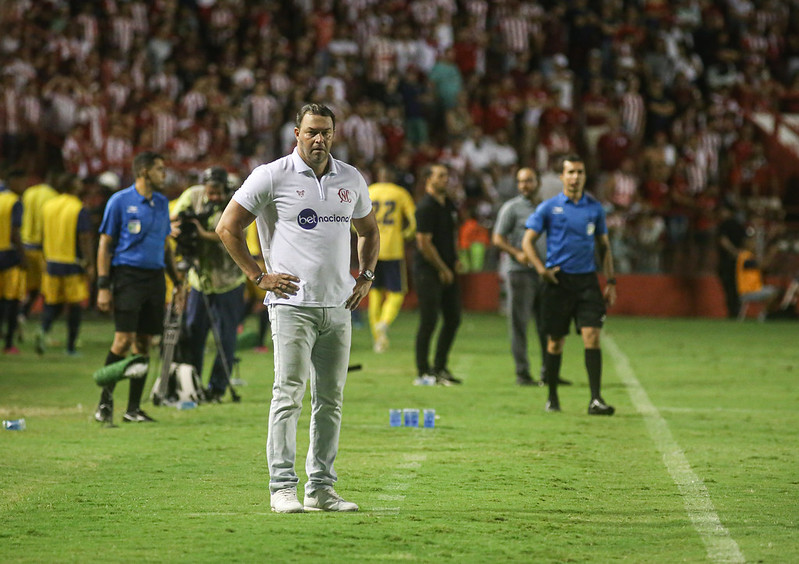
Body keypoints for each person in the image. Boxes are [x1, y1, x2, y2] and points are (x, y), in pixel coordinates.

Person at [216, 103, 379, 514]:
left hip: (339, 305)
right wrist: (258, 276)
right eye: (311, 132)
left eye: (325, 131)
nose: (318, 139)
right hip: (291, 305)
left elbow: (369, 230)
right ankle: (282, 486)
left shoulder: (351, 178)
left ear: (334, 134)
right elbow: (227, 227)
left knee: (330, 399)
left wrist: (367, 276)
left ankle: (321, 488)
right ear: (296, 133)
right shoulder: (272, 175)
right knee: (288, 394)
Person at [522, 154, 616, 415]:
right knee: (555, 342)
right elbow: (527, 241)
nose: (575, 177)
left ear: (585, 176)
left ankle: (595, 399)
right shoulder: (549, 207)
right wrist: (541, 269)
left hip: (587, 281)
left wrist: (610, 280)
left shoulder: (594, 209)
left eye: (580, 172)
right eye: (570, 172)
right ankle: (552, 396)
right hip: (559, 281)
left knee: (592, 336)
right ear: (562, 177)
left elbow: (604, 246)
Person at [94, 151, 179, 424]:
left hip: (155, 279)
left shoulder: (162, 203)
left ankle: (132, 409)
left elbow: (165, 245)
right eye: (159, 169)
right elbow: (105, 244)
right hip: (127, 276)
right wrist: (103, 285)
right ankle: (104, 403)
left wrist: (177, 282)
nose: (164, 174)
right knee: (122, 340)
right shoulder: (119, 201)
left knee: (144, 343)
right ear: (144, 172)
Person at [170, 166, 246, 402]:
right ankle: (192, 385)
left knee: (225, 339)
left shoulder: (236, 201)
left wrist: (202, 233)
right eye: (210, 191)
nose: (213, 197)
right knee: (194, 334)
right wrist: (178, 228)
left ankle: (217, 388)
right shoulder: (193, 195)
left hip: (228, 280)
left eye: (218, 192)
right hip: (200, 280)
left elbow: (233, 233)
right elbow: (173, 220)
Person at [493, 167, 548, 386]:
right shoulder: (512, 208)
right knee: (520, 325)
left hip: (544, 273)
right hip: (520, 273)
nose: (525, 185)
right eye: (521, 181)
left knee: (547, 325)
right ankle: (522, 373)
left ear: (538, 182)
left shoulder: (547, 208)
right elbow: (497, 238)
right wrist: (516, 253)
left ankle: (548, 372)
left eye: (529, 181)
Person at [413, 163, 462, 386]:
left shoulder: (448, 204)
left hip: (448, 268)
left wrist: (456, 258)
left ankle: (440, 366)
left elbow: (450, 235)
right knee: (429, 320)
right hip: (428, 271)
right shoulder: (425, 207)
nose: (446, 179)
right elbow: (424, 243)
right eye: (441, 175)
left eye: (446, 175)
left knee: (453, 318)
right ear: (428, 179)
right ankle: (423, 370)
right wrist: (442, 268)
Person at [36, 173, 94, 356]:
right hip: (72, 264)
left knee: (53, 303)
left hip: (52, 262)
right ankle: (70, 347)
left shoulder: (48, 206)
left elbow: (43, 233)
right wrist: (90, 263)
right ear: (73, 186)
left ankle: (43, 330)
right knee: (75, 306)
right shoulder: (78, 208)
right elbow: (84, 238)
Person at [367, 164, 416, 353]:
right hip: (393, 248)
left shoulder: (369, 191)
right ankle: (384, 322)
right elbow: (413, 222)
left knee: (374, 292)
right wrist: (405, 234)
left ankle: (378, 339)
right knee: (397, 291)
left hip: (371, 250)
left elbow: (354, 221)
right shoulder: (400, 193)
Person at [20, 172, 57, 324]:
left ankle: (20, 316)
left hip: (23, 244)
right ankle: (41, 324)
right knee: (46, 288)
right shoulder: (53, 196)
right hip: (41, 248)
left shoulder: (29, 192)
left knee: (23, 286)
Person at [0, 169, 27, 354]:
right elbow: (14, 232)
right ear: (14, 181)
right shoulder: (14, 202)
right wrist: (23, 256)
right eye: (22, 181)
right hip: (9, 256)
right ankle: (9, 344)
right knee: (11, 300)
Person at [716, 201, 747, 318]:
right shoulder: (739, 225)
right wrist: (741, 253)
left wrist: (733, 252)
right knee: (737, 288)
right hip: (739, 262)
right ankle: (737, 312)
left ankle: (733, 313)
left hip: (727, 261)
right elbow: (746, 241)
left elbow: (723, 241)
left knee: (729, 289)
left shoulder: (724, 225)